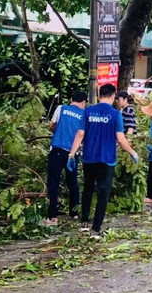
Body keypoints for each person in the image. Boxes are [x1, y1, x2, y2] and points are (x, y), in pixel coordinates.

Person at [69, 83, 141, 237]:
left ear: (99, 94)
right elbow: (121, 139)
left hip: (89, 158)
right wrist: (132, 152)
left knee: (88, 189)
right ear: (113, 96)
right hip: (107, 160)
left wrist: (71, 154)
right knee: (103, 193)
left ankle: (84, 222)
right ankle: (95, 229)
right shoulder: (115, 115)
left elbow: (80, 134)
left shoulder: (88, 112)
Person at [45, 90, 86, 225]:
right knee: (73, 184)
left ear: (71, 99)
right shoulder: (83, 115)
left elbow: (52, 126)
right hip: (72, 155)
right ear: (83, 102)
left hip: (56, 150)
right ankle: (74, 213)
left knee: (53, 183)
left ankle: (53, 217)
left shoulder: (61, 108)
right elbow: (83, 135)